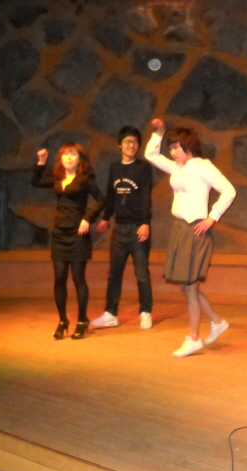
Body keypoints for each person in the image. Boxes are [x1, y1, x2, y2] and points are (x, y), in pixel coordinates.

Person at [144, 118, 236, 357]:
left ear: (188, 146)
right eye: (171, 148)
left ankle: (193, 338)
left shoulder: (203, 166)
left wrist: (212, 217)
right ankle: (217, 322)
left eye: (176, 147)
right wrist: (159, 133)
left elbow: (229, 190)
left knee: (191, 288)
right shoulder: (177, 167)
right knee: (186, 288)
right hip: (180, 230)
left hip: (196, 230)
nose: (173, 152)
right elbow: (151, 155)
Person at [32, 143, 105, 340]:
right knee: (59, 278)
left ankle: (82, 321)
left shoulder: (85, 179)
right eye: (65, 154)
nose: (68, 158)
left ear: (80, 159)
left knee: (78, 278)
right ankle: (63, 320)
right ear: (60, 158)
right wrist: (41, 162)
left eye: (72, 154)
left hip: (78, 232)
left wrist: (87, 219)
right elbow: (35, 181)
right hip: (60, 232)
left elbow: (101, 199)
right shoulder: (57, 177)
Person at [90, 126, 154, 330]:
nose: (131, 145)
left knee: (142, 274)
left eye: (135, 142)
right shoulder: (115, 168)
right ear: (120, 145)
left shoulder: (143, 168)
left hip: (138, 228)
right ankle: (111, 313)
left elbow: (146, 196)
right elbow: (111, 195)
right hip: (119, 229)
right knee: (114, 273)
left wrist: (145, 222)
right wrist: (105, 217)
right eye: (127, 142)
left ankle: (145, 312)